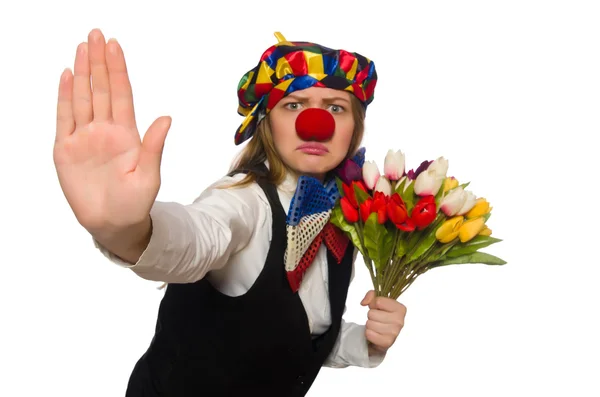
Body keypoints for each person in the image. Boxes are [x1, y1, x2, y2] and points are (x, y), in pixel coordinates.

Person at [54, 28, 408, 396]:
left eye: (336, 107)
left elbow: (302, 334)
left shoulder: (343, 215)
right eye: (294, 105)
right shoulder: (242, 202)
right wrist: (125, 230)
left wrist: (367, 340)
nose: (316, 125)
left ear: (355, 127)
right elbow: (196, 238)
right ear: (267, 121)